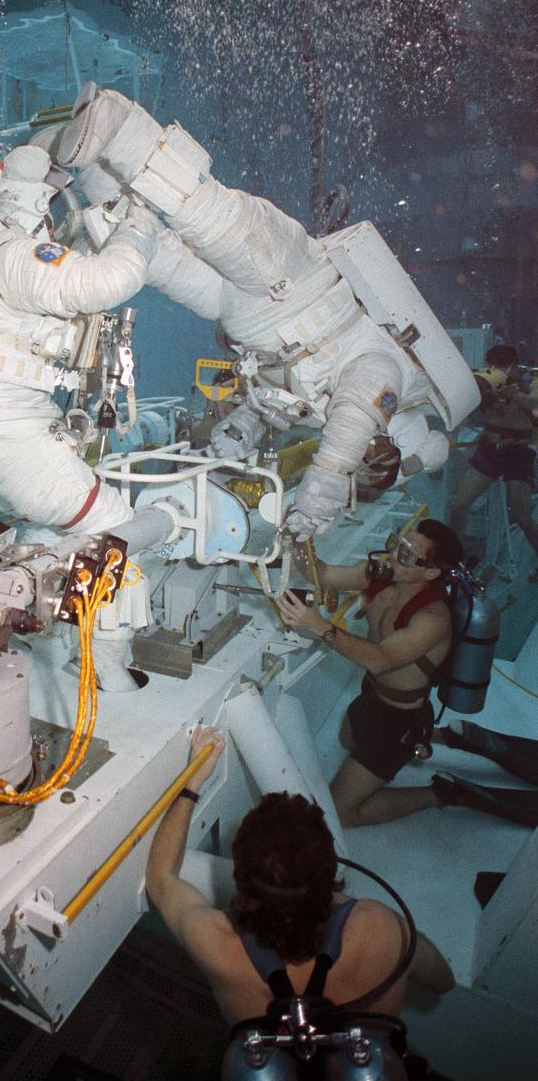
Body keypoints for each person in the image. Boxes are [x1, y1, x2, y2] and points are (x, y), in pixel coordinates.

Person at [57, 84, 476, 540]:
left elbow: (275, 404)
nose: (369, 454)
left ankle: (92, 170)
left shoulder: (320, 409)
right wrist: (327, 483)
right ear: (395, 441)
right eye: (380, 455)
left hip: (248, 320)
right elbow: (358, 407)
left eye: (368, 464)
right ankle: (118, 125)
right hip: (299, 287)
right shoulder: (391, 381)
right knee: (214, 219)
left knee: (157, 259)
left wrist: (241, 428)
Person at [0, 143, 158, 691]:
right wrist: (140, 223)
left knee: (47, 522)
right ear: (35, 204)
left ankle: (17, 617)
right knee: (112, 526)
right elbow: (107, 282)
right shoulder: (14, 255)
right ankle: (103, 669)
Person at [145, 725, 454, 1031]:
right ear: (331, 870)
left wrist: (193, 780)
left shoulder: (216, 945)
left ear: (240, 880)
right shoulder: (382, 928)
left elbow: (160, 879)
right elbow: (443, 981)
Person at [276, 520, 464, 827]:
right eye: (396, 544)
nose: (392, 558)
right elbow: (320, 573)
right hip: (371, 695)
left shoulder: (433, 618)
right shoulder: (382, 576)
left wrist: (319, 626)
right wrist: (297, 537)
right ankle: (431, 738)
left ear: (431, 572)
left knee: (338, 813)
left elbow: (381, 659)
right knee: (346, 739)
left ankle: (438, 793)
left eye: (405, 555)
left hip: (400, 717)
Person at [450, 343, 538, 567]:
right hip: (490, 449)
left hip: (517, 453)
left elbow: (536, 404)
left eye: (502, 367)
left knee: (522, 516)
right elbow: (465, 410)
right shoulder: (484, 380)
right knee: (460, 505)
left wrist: (515, 395)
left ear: (514, 366)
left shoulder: (531, 382)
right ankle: (455, 558)